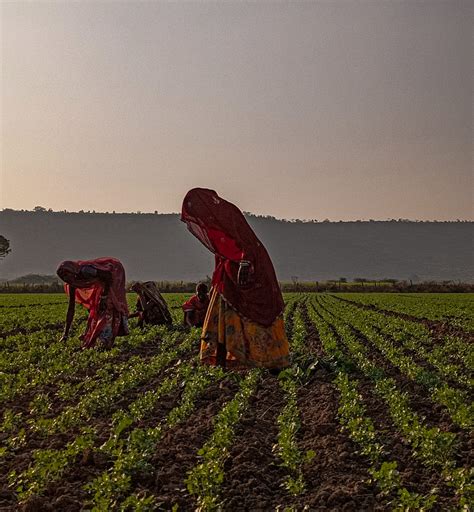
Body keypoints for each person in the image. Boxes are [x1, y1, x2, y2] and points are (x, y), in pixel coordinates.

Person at [181, 188, 290, 370]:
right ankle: (224, 362)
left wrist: (245, 262)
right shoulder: (217, 220)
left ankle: (266, 361)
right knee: (223, 320)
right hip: (226, 276)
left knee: (248, 318)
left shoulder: (228, 213)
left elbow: (245, 241)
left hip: (246, 271)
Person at [56, 257, 129, 349]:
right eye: (63, 278)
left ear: (73, 271)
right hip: (104, 281)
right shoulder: (72, 283)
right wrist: (65, 334)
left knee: (108, 305)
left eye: (67, 275)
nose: (66, 279)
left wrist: (104, 297)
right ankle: (97, 337)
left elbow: (108, 277)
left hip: (114, 272)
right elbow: (71, 308)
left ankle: (107, 337)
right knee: (97, 308)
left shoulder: (86, 271)